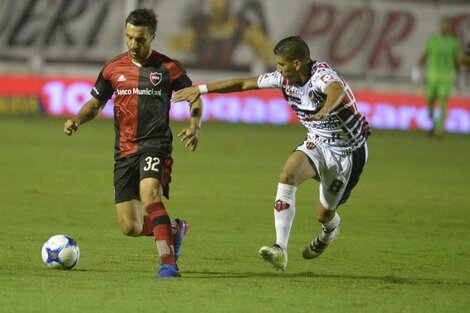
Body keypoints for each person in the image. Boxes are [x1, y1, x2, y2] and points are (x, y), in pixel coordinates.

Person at [172, 36, 370, 271]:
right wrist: (200, 89)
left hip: (346, 153)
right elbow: (245, 84)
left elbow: (335, 89)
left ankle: (330, 231)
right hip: (317, 143)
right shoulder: (284, 80)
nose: (277, 69)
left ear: (297, 63)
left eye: (281, 64)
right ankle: (280, 249)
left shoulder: (321, 75)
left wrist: (324, 109)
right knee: (287, 175)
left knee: (323, 214)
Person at [63, 8, 203, 278]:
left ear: (152, 36)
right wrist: (77, 120)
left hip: (155, 144)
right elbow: (95, 104)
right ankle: (173, 230)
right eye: (129, 37)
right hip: (124, 151)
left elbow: (195, 98)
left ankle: (168, 264)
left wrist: (195, 126)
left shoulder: (169, 68)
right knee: (130, 226)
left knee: (151, 193)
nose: (133, 44)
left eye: (140, 39)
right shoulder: (113, 68)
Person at [167, 0, 273, 73]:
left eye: (221, 11)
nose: (218, 15)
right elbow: (180, 46)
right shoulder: (201, 25)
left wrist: (261, 64)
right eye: (215, 11)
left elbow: (266, 49)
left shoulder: (240, 26)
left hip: (230, 76)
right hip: (202, 76)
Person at [418, 17, 460, 138]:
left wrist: (460, 75)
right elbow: (424, 55)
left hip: (447, 77)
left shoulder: (454, 43)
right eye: (442, 25)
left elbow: (457, 61)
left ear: (449, 27)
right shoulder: (432, 41)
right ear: (439, 26)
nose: (444, 27)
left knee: (442, 102)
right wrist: (417, 69)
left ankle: (439, 131)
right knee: (430, 101)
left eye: (446, 25)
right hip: (432, 75)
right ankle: (434, 124)